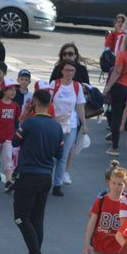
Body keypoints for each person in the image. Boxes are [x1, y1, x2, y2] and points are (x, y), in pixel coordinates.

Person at [11, 89, 64, 254]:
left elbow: (15, 142)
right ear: (50, 103)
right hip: (45, 177)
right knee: (37, 219)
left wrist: (24, 117)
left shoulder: (30, 123)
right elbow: (59, 153)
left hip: (28, 176)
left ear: (34, 101)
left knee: (21, 217)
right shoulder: (57, 127)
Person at [49, 61, 88, 195]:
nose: (69, 73)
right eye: (67, 70)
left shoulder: (76, 86)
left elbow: (80, 106)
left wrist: (84, 124)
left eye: (72, 70)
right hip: (54, 125)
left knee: (63, 156)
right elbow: (47, 103)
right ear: (62, 71)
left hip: (70, 126)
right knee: (51, 155)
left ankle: (57, 185)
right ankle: (45, 180)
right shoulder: (54, 84)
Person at [0, 81, 22, 185]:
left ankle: (8, 182)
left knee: (9, 158)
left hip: (9, 137)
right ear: (4, 91)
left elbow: (20, 120)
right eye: (10, 89)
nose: (13, 92)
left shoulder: (15, 105)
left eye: (14, 90)